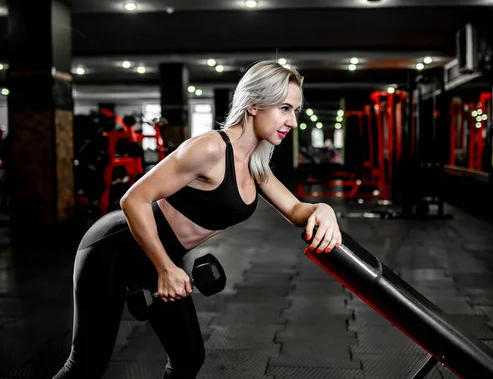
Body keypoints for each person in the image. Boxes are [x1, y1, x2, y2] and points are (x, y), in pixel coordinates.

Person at [53, 60, 342, 379]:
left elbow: (297, 210)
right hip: (113, 249)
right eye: (285, 108)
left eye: (296, 110)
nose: (292, 120)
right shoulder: (211, 148)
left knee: (188, 357)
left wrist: (323, 209)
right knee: (86, 367)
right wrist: (164, 269)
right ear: (255, 104)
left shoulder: (255, 165)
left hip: (162, 258)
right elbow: (133, 199)